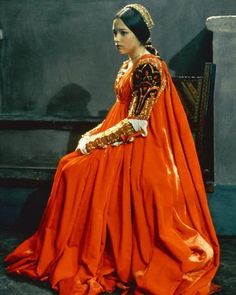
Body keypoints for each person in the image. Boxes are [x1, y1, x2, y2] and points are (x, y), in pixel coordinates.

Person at [4, 3, 221, 295]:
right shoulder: (130, 63)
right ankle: (72, 244)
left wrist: (94, 142)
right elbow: (118, 113)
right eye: (114, 33)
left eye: (122, 33)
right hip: (126, 138)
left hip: (144, 147)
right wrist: (91, 134)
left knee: (76, 169)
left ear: (138, 34)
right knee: (70, 163)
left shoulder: (148, 67)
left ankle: (83, 248)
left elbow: (137, 124)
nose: (116, 39)